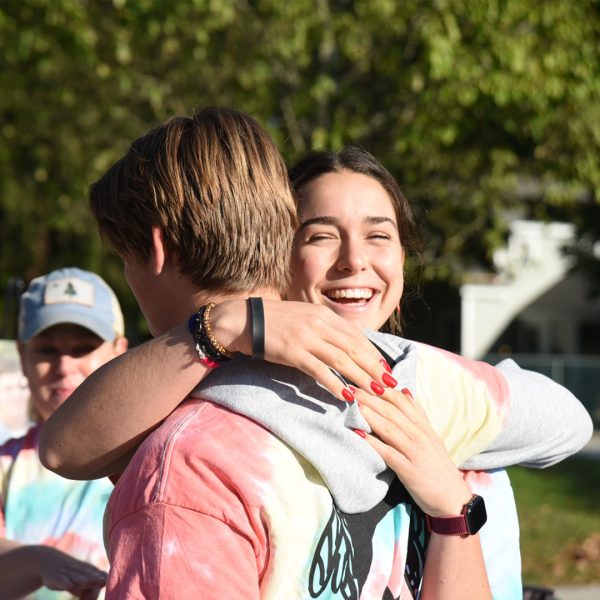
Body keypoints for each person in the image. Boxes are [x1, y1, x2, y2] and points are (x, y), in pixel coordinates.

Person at [40, 114, 592, 597]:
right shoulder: (428, 391)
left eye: (380, 235)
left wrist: (216, 332)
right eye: (323, 235)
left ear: (155, 250)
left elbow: (67, 450)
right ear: (280, 243)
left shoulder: (180, 451)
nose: (354, 261)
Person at [0, 267, 128, 600]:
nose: (64, 366)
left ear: (120, 352)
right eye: (46, 350)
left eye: (83, 347)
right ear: (24, 359)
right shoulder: (3, 466)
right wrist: (37, 561)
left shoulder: (155, 456)